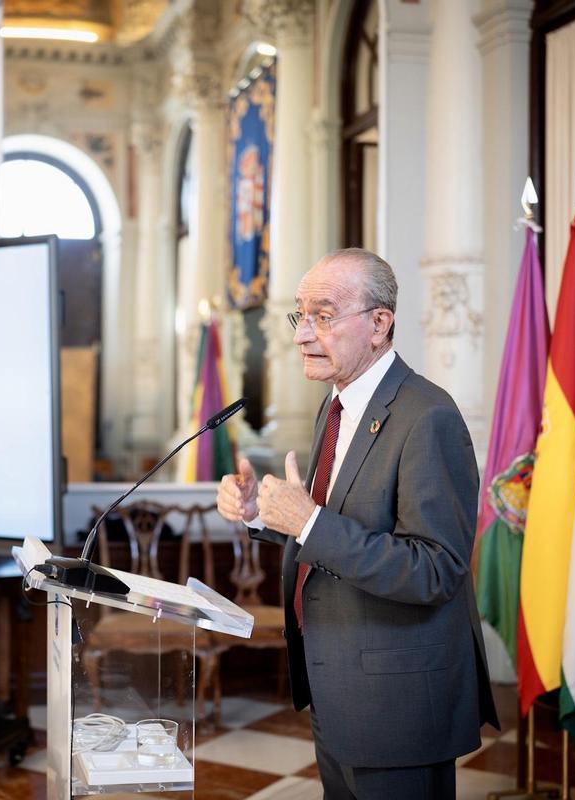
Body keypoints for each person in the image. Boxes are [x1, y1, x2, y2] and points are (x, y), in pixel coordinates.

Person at [216, 248, 498, 799]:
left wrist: (310, 521)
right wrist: (261, 515)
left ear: (378, 324)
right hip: (338, 686)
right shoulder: (337, 405)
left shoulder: (428, 417)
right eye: (301, 315)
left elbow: (436, 571)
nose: (301, 335)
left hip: (397, 707)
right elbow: (330, 528)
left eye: (323, 315)